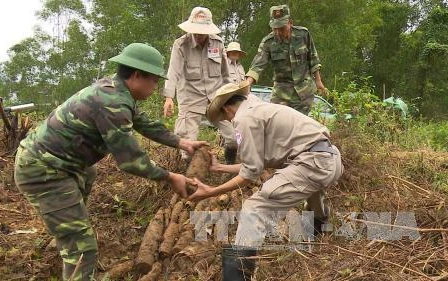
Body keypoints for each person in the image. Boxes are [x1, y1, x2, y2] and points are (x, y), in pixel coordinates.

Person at [14, 43, 206, 281]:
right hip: (44, 170)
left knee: (89, 173)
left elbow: (143, 123)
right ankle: (71, 243)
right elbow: (131, 161)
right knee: (83, 249)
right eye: (155, 80)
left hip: (62, 164)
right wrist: (170, 177)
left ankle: (65, 231)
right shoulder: (112, 102)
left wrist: (181, 142)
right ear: (137, 75)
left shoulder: (115, 90)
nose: (156, 87)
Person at [188, 82, 343, 281]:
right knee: (310, 187)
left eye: (225, 116)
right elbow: (256, 164)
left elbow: (249, 174)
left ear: (227, 108)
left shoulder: (243, 119)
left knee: (255, 207)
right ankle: (320, 232)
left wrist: (210, 191)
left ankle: (237, 277)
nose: (228, 119)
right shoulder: (261, 108)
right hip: (330, 159)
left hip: (313, 163)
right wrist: (220, 168)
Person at [163, 7, 238, 164]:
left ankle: (230, 167)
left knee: (233, 137)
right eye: (195, 31)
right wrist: (169, 97)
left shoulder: (218, 43)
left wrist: (232, 98)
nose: (198, 35)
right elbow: (173, 72)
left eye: (202, 32)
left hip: (215, 97)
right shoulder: (181, 45)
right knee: (187, 144)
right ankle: (189, 176)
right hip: (190, 98)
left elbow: (225, 74)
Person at [245, 4, 327, 115]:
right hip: (281, 94)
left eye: (282, 28)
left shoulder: (303, 34)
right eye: (275, 28)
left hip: (304, 92)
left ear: (290, 23)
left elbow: (313, 58)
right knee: (278, 126)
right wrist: (247, 83)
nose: (278, 32)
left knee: (300, 127)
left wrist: (318, 81)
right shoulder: (268, 42)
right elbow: (257, 65)